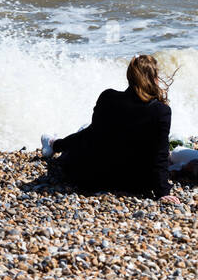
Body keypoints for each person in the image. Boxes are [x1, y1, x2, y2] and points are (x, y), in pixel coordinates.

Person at [48, 55, 177, 201]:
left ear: (130, 77)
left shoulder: (108, 98)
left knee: (84, 136)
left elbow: (90, 136)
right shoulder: (161, 111)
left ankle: (52, 143)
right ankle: (54, 143)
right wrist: (163, 192)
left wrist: (60, 145)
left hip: (95, 178)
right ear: (155, 78)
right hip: (136, 183)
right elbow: (159, 154)